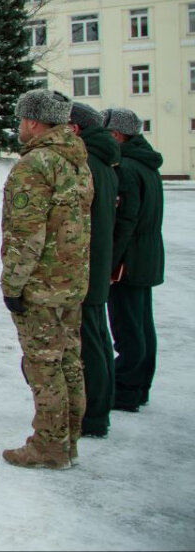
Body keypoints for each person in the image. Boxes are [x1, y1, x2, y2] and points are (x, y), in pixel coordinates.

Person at [0, 90, 93, 470]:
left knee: (44, 366)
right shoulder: (76, 162)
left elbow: (26, 233)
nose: (20, 126)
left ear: (34, 122)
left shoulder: (35, 164)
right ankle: (68, 441)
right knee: (70, 361)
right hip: (71, 282)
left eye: (22, 119)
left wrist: (12, 284)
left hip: (41, 285)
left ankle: (49, 446)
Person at [103, 107, 165, 414]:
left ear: (116, 134)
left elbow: (124, 221)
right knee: (142, 324)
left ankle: (126, 388)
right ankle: (139, 385)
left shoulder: (125, 167)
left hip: (128, 262)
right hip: (147, 256)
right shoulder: (146, 164)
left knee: (127, 326)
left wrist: (110, 261)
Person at [65, 102, 119, 438]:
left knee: (90, 339)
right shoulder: (103, 160)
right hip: (95, 260)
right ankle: (101, 405)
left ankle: (94, 413)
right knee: (98, 333)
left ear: (76, 129)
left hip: (86, 262)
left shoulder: (89, 164)